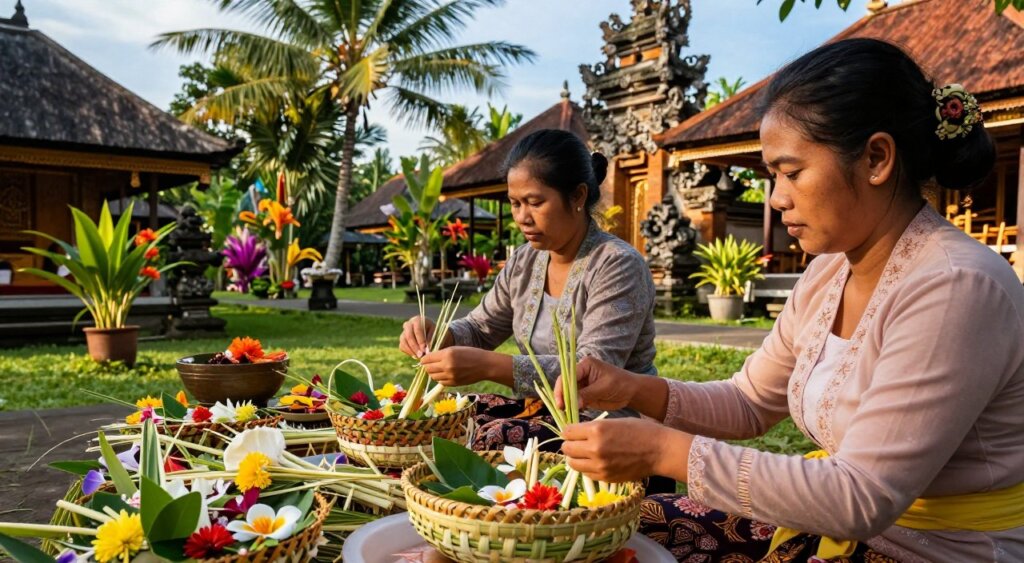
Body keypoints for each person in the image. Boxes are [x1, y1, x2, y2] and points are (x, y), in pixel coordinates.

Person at [558, 38, 1023, 562]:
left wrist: (662, 450)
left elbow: (861, 497)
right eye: (773, 176)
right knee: (582, 527)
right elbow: (748, 401)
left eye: (792, 172)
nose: (777, 197)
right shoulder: (829, 271)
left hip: (932, 551)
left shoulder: (955, 286)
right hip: (834, 525)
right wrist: (632, 389)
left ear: (876, 158)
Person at [398, 129, 657, 452]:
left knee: (486, 439)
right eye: (515, 203)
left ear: (577, 196)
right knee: (448, 423)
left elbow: (590, 373)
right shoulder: (524, 261)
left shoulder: (618, 265)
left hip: (611, 427)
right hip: (543, 415)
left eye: (535, 202)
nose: (522, 217)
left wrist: (489, 366)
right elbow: (480, 328)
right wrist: (439, 334)